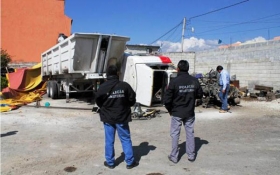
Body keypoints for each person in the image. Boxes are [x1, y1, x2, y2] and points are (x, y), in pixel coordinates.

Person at [95, 65, 139, 169]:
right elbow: (132, 99)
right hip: (122, 117)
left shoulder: (103, 87)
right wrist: (125, 106)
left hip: (108, 117)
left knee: (109, 140)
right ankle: (130, 162)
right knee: (125, 139)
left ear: (107, 75)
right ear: (117, 74)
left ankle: (110, 162)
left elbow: (98, 101)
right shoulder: (125, 86)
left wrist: (105, 108)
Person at [163, 60, 203, 164]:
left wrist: (170, 110)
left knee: (175, 134)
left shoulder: (174, 81)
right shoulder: (194, 80)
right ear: (188, 68)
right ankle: (191, 155)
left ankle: (174, 156)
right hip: (189, 112)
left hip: (177, 112)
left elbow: (167, 99)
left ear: (178, 69)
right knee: (190, 133)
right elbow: (199, 94)